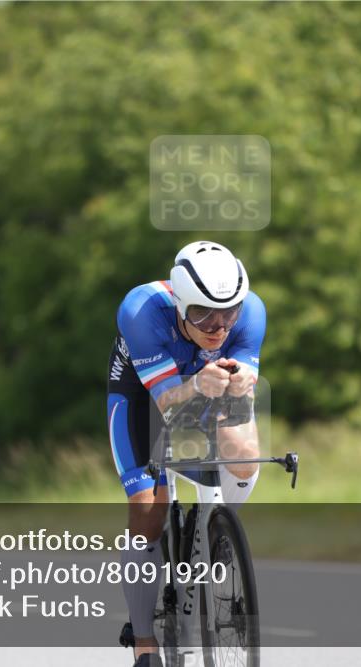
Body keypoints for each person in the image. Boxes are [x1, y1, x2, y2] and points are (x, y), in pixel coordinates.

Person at [106, 241, 266, 667]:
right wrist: (196, 385)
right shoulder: (140, 312)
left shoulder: (251, 311)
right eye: (201, 314)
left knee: (245, 455)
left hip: (209, 383)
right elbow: (167, 406)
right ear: (179, 305)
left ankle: (220, 530)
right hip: (145, 394)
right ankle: (143, 641)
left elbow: (244, 383)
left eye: (228, 312)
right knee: (147, 512)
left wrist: (239, 384)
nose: (217, 326)